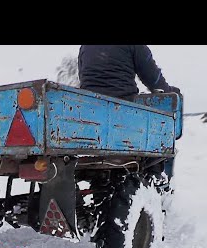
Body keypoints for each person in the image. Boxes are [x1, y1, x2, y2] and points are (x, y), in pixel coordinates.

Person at [78, 45, 181, 183]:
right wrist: (171, 91)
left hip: (90, 115)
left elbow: (83, 76)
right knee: (161, 143)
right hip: (124, 113)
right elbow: (154, 80)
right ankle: (158, 185)